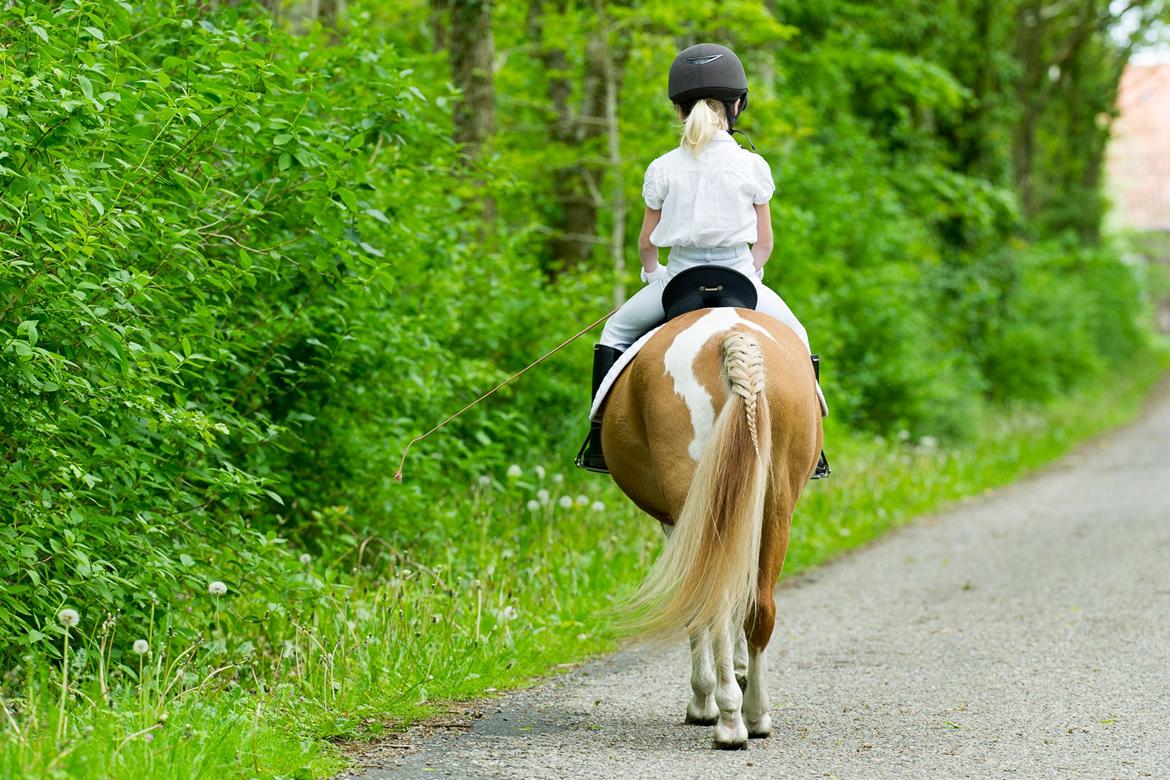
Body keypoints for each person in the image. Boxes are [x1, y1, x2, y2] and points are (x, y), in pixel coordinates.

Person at [576, 42, 830, 479]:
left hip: (679, 279)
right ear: (736, 106)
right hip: (739, 278)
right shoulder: (752, 165)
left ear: (680, 110)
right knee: (798, 337)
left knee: (615, 329)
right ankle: (813, 451)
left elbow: (646, 244)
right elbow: (764, 243)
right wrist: (752, 275)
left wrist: (653, 278)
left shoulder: (662, 167)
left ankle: (600, 442)